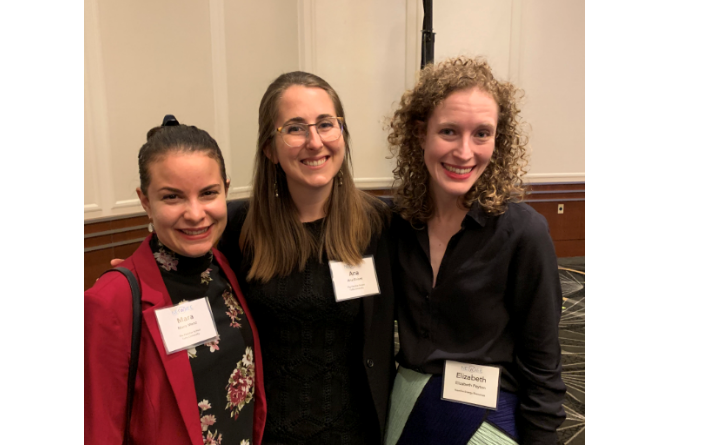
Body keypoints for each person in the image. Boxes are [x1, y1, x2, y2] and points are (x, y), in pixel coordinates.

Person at [384, 57, 566, 445]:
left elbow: (543, 363)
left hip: (488, 415)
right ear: (420, 134)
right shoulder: (395, 223)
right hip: (409, 405)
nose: (465, 152)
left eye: (482, 134)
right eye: (449, 131)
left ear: (498, 141)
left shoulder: (524, 233)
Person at [219, 71, 396, 444]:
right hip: (266, 433)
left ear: (342, 134)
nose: (315, 142)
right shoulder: (238, 228)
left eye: (326, 124)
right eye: (295, 128)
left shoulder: (378, 224)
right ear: (270, 148)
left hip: (356, 433)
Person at [85, 116, 266, 445]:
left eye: (208, 193)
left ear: (226, 189)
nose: (196, 213)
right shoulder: (111, 301)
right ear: (145, 201)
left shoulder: (224, 267)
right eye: (173, 197)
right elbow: (98, 431)